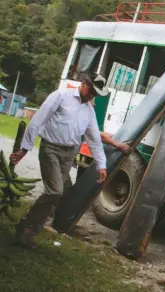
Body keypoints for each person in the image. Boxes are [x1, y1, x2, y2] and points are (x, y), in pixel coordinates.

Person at [10, 73, 109, 249]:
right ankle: (26, 225)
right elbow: (38, 121)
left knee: (57, 193)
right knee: (55, 190)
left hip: (69, 153)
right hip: (51, 149)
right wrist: (24, 149)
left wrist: (101, 164)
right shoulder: (61, 96)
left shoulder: (89, 111)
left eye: (96, 94)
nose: (93, 96)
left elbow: (94, 138)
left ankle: (29, 232)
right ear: (84, 84)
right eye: (92, 91)